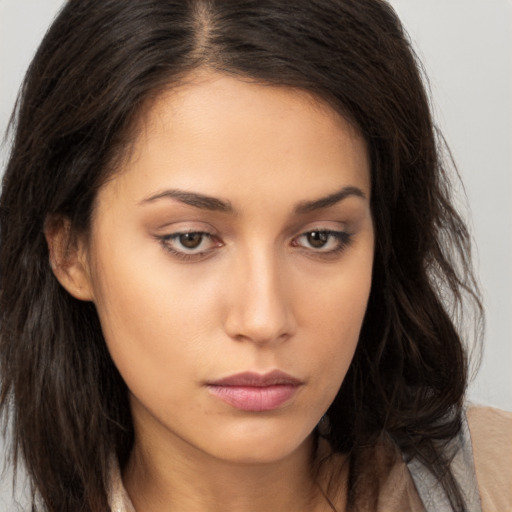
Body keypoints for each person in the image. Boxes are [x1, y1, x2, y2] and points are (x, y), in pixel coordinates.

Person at [0, 1, 510, 511]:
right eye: (191, 239)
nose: (264, 320)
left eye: (320, 237)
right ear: (71, 252)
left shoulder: (494, 480)